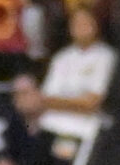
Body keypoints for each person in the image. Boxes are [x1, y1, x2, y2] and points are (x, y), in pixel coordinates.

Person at [37, 9, 114, 146]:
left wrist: (61, 102)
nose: (81, 28)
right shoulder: (61, 58)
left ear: (96, 25)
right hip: (51, 126)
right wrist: (77, 102)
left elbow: (92, 102)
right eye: (76, 24)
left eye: (86, 23)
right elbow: (46, 99)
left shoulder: (106, 56)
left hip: (85, 129)